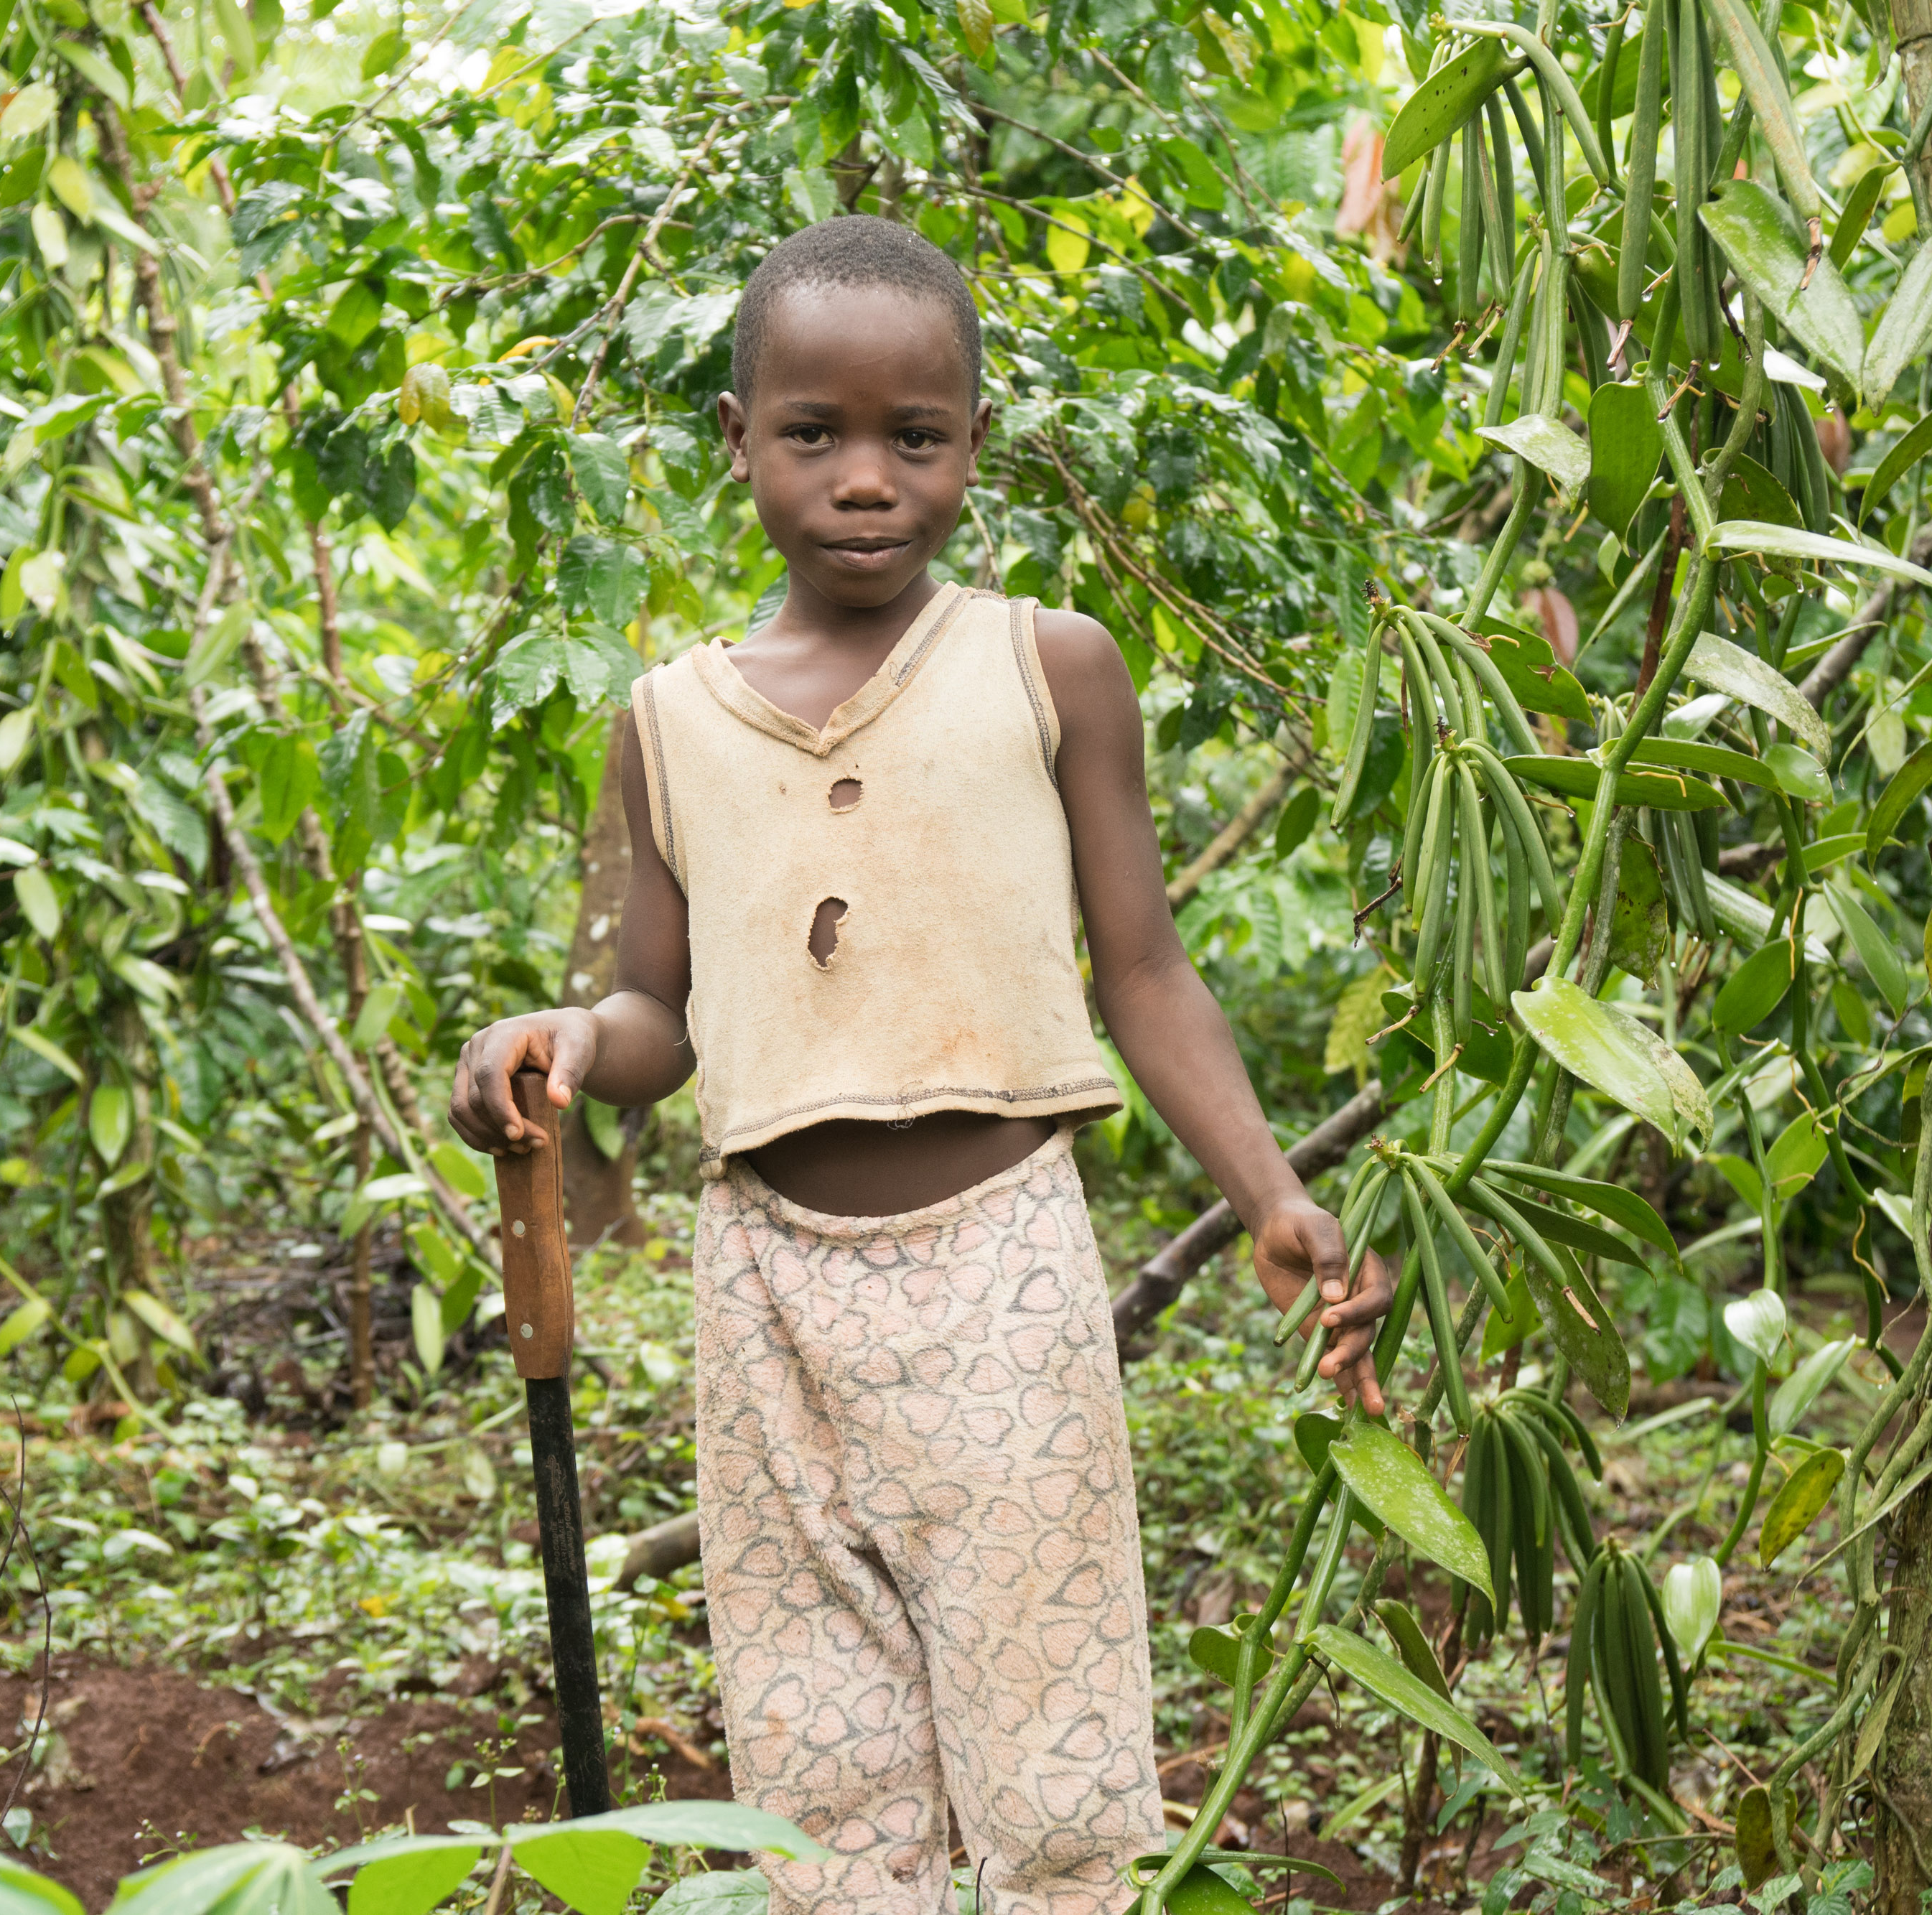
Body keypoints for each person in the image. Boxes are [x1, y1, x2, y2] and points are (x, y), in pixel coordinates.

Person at [449, 215, 1394, 1915]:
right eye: (813, 434)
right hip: (764, 1295)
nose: (865, 479)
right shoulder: (668, 719)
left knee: (1049, 1775)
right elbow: (662, 1020)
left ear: (974, 443)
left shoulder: (1045, 667)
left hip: (999, 1275)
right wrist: (569, 1039)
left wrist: (1270, 1191)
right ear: (736, 440)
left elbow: (1143, 968)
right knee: (820, 1777)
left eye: (915, 435)